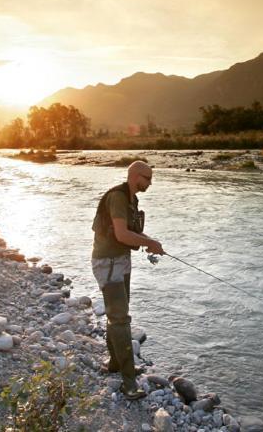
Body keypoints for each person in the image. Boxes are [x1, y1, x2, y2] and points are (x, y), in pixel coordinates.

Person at [91, 160, 165, 400]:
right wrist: (148, 243)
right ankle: (129, 382)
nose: (151, 184)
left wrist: (151, 242)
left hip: (121, 260)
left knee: (118, 315)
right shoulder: (118, 198)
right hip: (108, 263)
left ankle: (114, 363)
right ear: (136, 176)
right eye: (148, 179)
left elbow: (130, 234)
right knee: (120, 319)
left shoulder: (131, 199)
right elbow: (122, 234)